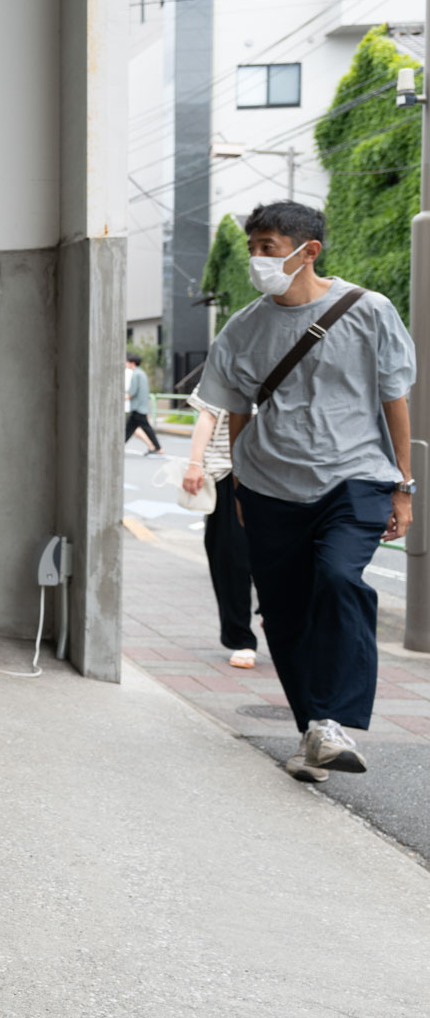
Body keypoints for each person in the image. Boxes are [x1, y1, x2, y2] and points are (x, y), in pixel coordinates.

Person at [197, 201, 416, 785]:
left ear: (308, 250)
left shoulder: (369, 311)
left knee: (341, 578)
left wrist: (404, 485)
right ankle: (316, 733)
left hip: (356, 476)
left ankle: (334, 719)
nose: (256, 259)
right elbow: (237, 410)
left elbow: (396, 399)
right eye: (253, 247)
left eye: (268, 246)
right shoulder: (243, 327)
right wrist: (242, 483)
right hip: (270, 486)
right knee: (287, 614)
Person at [180, 381, 258, 666]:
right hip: (228, 473)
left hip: (280, 475)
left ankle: (273, 614)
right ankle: (242, 638)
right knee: (230, 558)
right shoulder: (231, 362)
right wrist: (195, 463)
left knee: (281, 554)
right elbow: (208, 414)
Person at [124, 354, 162, 454]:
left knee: (144, 428)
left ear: (132, 363)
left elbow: (132, 392)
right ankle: (156, 447)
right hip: (141, 406)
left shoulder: (136, 374)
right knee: (129, 429)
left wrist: (123, 399)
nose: (125, 364)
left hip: (138, 407)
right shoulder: (142, 373)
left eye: (127, 362)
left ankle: (158, 447)